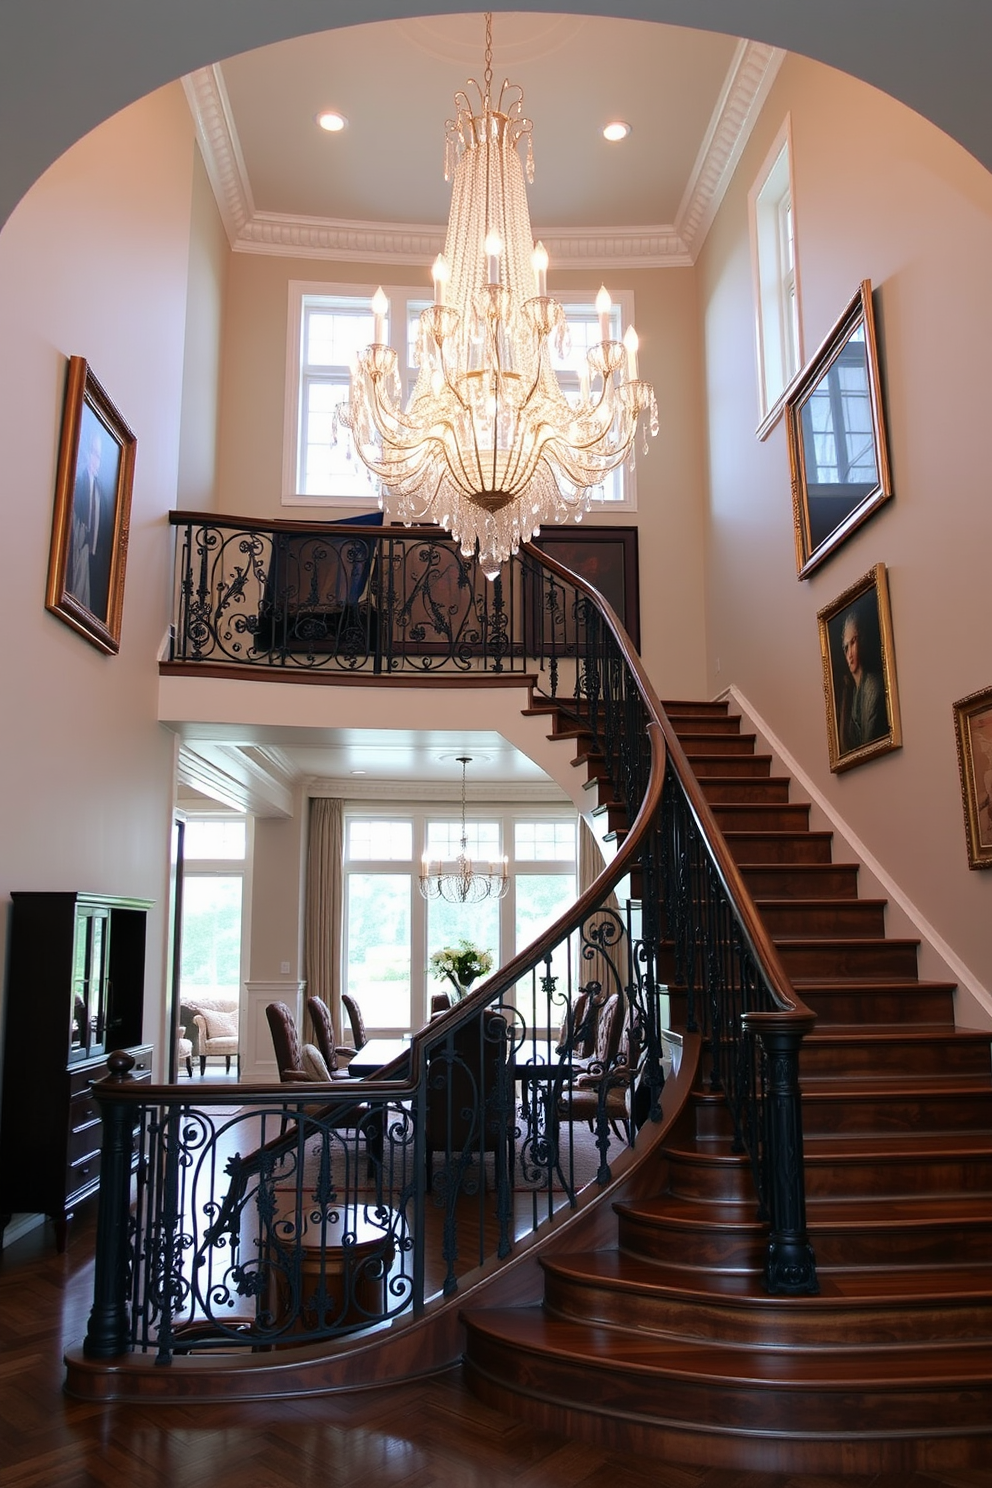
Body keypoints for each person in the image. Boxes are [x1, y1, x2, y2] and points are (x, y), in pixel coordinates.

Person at [68, 423, 114, 618]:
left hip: (96, 558)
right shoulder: (78, 483)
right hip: (80, 552)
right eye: (94, 453)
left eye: (99, 456)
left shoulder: (101, 494)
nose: (97, 460)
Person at [837, 608, 887, 753]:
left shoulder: (873, 686)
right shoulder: (853, 690)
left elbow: (869, 745)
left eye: (853, 642)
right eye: (846, 647)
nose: (849, 654)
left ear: (864, 640)